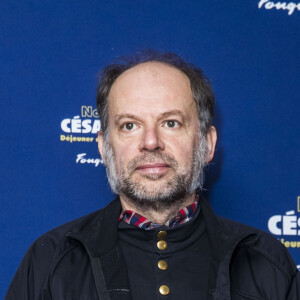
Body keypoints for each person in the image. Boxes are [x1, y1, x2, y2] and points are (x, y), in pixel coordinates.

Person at [6, 51, 300, 300]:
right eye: (129, 126)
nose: (150, 141)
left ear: (207, 144)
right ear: (104, 147)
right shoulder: (49, 262)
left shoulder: (266, 263)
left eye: (171, 123)